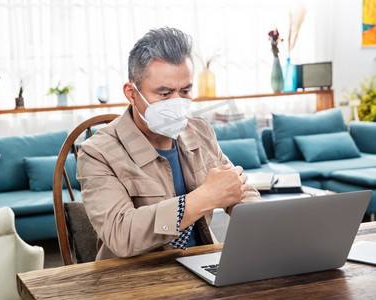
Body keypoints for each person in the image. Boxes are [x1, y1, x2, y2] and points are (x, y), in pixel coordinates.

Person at [76, 27, 261, 261]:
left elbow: (238, 189)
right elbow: (121, 235)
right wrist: (203, 198)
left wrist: (262, 222)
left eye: (185, 90)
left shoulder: (200, 130)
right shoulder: (97, 153)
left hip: (202, 261)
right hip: (135, 278)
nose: (177, 103)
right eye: (164, 94)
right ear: (132, 94)